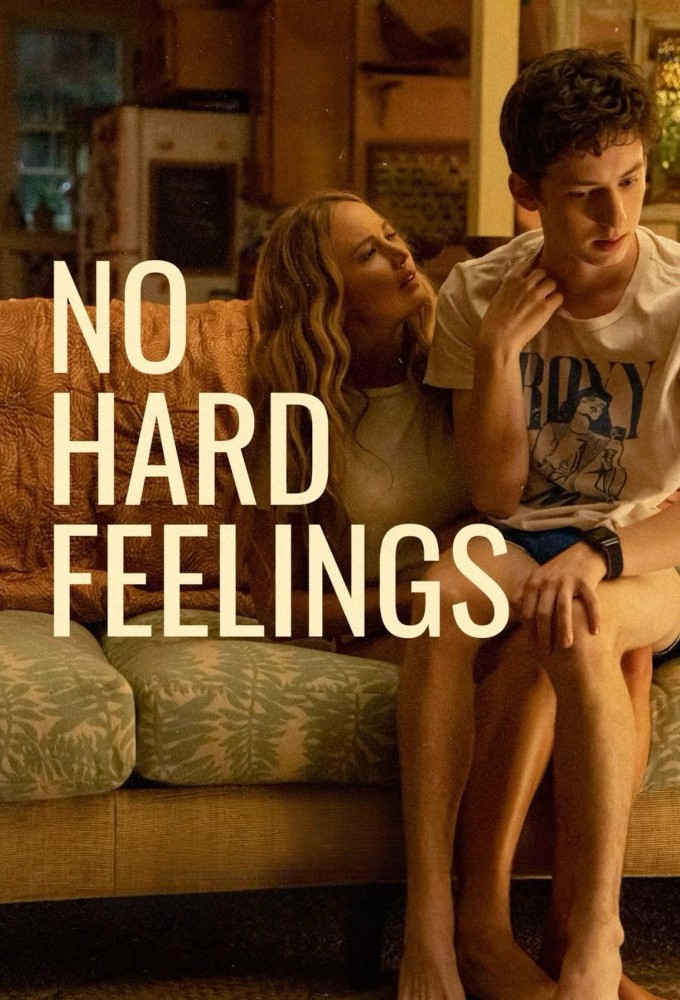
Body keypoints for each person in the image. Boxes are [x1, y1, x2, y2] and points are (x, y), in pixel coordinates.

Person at [396, 47, 680, 1000]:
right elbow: (496, 494)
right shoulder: (480, 294)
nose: (615, 216)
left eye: (630, 181)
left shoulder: (677, 299)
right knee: (438, 599)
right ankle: (432, 929)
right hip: (525, 536)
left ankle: (596, 939)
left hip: (647, 542)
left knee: (582, 626)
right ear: (526, 193)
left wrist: (599, 554)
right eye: (584, 194)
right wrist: (500, 353)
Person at [244, 189, 468, 662]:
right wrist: (421, 595)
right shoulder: (293, 418)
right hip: (385, 630)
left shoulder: (455, 370)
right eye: (369, 254)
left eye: (391, 235)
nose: (400, 253)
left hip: (489, 606)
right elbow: (277, 607)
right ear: (326, 298)